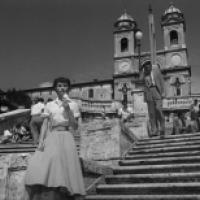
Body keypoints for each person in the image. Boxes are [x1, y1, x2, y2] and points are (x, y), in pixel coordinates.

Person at [24, 77, 85, 200]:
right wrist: (41, 141)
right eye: (59, 85)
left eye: (64, 85)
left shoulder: (74, 104)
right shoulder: (49, 105)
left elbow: (74, 126)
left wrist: (68, 109)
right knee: (42, 163)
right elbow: (45, 124)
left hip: (66, 136)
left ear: (68, 88)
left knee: (65, 166)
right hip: (52, 137)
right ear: (55, 88)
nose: (61, 88)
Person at [139, 61, 166, 138]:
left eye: (148, 65)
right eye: (145, 66)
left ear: (150, 66)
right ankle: (154, 130)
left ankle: (162, 128)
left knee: (158, 109)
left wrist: (163, 92)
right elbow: (140, 80)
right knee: (151, 113)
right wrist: (141, 70)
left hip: (156, 91)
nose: (146, 67)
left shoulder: (156, 71)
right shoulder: (144, 74)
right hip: (148, 93)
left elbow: (162, 81)